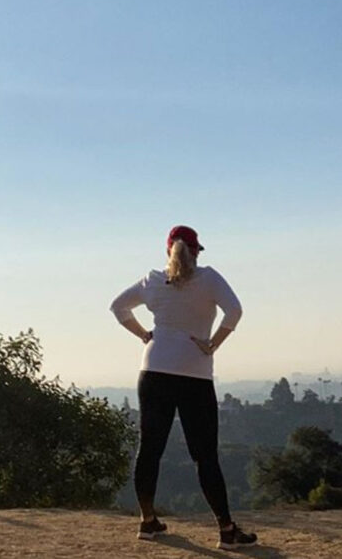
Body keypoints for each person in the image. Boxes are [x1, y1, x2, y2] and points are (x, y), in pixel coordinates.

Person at [109, 225, 258, 550]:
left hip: (154, 371)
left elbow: (117, 307)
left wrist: (143, 335)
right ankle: (226, 529)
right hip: (194, 374)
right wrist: (212, 344)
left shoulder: (152, 280)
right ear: (195, 251)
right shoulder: (208, 278)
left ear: (168, 251)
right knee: (205, 456)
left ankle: (147, 523)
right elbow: (235, 310)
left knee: (150, 448)